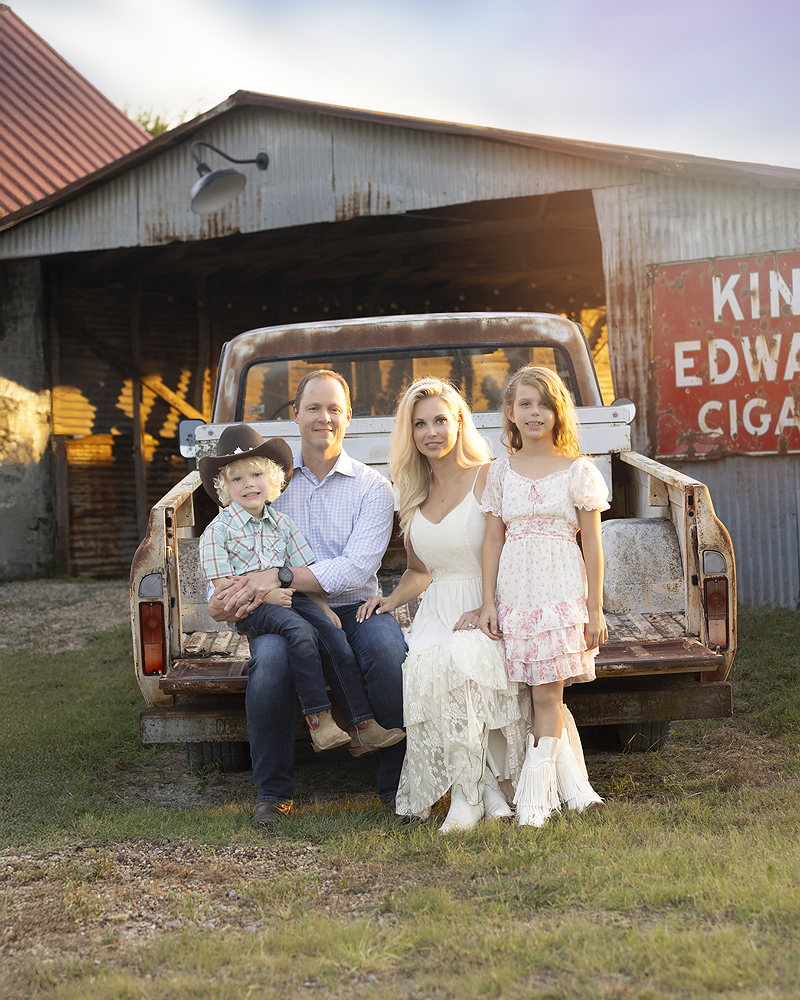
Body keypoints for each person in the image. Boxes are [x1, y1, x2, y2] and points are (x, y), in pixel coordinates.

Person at [208, 371, 407, 827]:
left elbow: (356, 568)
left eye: (334, 408)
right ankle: (273, 794)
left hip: (355, 605)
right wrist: (220, 597)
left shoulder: (373, 488)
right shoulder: (266, 479)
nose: (324, 417)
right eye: (314, 408)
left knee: (387, 651)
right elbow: (232, 546)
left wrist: (277, 575)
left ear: (348, 416)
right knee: (271, 663)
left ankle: (397, 789)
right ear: (296, 415)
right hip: (280, 608)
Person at [358, 377, 531, 832]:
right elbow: (420, 571)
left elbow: (515, 550)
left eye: (439, 420)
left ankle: (470, 796)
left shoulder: (489, 475)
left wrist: (490, 605)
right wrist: (390, 600)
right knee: (423, 665)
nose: (431, 432)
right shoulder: (411, 491)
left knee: (462, 660)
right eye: (420, 424)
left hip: (489, 604)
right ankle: (480, 791)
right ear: (410, 432)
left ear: (458, 422)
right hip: (437, 611)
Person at [199, 424, 405, 757]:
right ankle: (318, 722)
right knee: (296, 638)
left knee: (337, 638)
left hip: (299, 599)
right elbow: (223, 587)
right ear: (224, 487)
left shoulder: (283, 523)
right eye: (237, 479)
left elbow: (307, 567)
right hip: (257, 609)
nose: (249, 484)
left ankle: (362, 726)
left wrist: (323, 608)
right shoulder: (218, 531)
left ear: (271, 480)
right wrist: (265, 594)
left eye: (256, 475)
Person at [479, 365, 607, 827]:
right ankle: (572, 788)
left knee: (548, 695)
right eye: (525, 404)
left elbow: (593, 545)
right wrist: (489, 602)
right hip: (515, 595)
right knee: (530, 695)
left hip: (559, 594)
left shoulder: (578, 470)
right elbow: (492, 540)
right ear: (510, 412)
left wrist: (594, 610)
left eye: (545, 405)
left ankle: (535, 798)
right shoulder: (500, 472)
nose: (535, 413)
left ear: (558, 412)